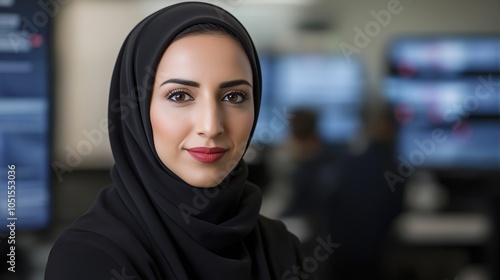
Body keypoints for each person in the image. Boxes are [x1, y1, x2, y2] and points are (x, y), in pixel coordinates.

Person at [45, 2, 313, 279]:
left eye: (233, 96)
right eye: (180, 96)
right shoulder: (90, 257)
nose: (210, 127)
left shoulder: (280, 247)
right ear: (137, 110)